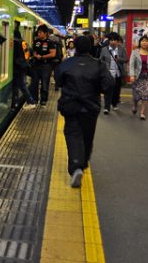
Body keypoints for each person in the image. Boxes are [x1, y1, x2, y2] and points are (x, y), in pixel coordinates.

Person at [55, 36, 113, 187]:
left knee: (73, 135)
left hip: (70, 105)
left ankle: (76, 167)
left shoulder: (67, 64)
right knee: (87, 136)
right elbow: (108, 84)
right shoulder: (98, 65)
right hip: (90, 107)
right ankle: (83, 162)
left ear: (76, 47)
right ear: (90, 48)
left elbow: (58, 80)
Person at [28, 24, 56, 107]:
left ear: (45, 33)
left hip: (46, 66)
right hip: (36, 65)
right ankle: (35, 100)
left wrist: (42, 57)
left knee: (44, 84)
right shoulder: (36, 42)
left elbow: (53, 54)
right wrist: (35, 55)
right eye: (38, 32)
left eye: (40, 32)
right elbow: (34, 51)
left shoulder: (50, 43)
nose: (38, 34)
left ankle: (43, 101)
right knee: (34, 83)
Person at [99, 32, 128, 113]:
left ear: (118, 41)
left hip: (118, 73)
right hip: (108, 74)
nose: (113, 42)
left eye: (115, 40)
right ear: (109, 41)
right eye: (111, 40)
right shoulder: (104, 49)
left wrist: (119, 59)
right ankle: (106, 107)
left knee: (116, 90)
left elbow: (126, 59)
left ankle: (114, 104)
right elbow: (101, 60)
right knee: (107, 90)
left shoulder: (122, 49)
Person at [129, 35, 148, 120]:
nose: (144, 42)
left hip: (147, 76)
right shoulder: (135, 52)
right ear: (140, 43)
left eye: (146, 41)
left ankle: (142, 113)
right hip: (137, 76)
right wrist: (132, 75)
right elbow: (131, 65)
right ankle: (135, 105)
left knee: (146, 95)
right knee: (136, 95)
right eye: (143, 41)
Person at [12, 28, 35, 107]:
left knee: (22, 85)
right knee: (18, 85)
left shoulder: (15, 43)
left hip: (18, 68)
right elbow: (30, 52)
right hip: (24, 66)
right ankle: (15, 102)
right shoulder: (24, 42)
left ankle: (31, 102)